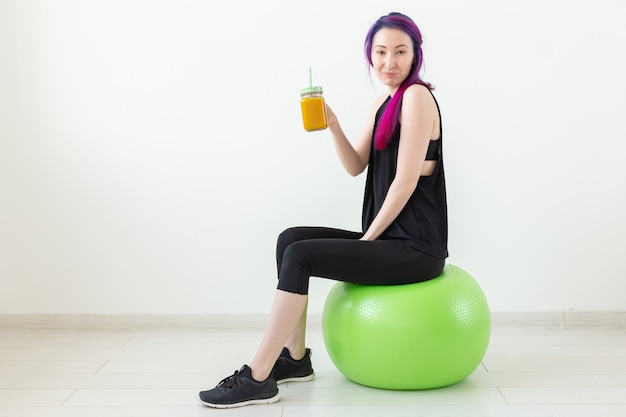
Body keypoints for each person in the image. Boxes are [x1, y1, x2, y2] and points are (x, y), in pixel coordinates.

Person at [199, 11, 448, 408]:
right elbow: (355, 166)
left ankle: (258, 374)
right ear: (371, 55)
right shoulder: (384, 103)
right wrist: (332, 123)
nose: (389, 62)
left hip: (416, 248)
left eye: (400, 52)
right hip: (390, 240)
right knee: (290, 240)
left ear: (415, 54)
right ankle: (295, 359)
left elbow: (404, 183)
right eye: (381, 52)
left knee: (302, 255)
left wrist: (368, 239)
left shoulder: (417, 97)